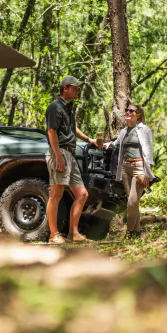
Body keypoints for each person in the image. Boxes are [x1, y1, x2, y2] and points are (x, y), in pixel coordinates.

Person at [44, 75, 101, 244]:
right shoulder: (55, 107)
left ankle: (73, 234)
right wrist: (58, 156)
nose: (78, 91)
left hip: (69, 154)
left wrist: (89, 140)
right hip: (59, 152)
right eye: (75, 88)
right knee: (56, 194)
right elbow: (51, 132)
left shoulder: (69, 107)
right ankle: (53, 235)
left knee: (82, 194)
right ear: (65, 88)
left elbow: (72, 128)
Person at [106, 104, 154, 235]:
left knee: (132, 202)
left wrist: (147, 175)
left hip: (139, 168)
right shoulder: (124, 131)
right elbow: (116, 143)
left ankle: (129, 231)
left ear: (137, 115)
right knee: (133, 202)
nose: (127, 112)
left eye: (131, 111)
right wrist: (106, 144)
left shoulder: (144, 130)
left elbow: (149, 153)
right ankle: (136, 232)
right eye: (127, 110)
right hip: (126, 169)